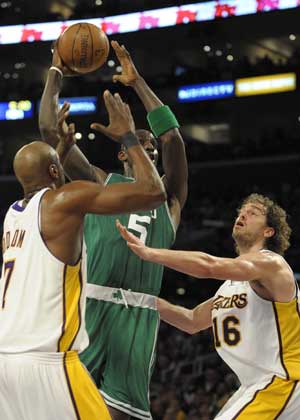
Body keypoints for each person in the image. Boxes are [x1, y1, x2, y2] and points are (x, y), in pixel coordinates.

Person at [39, 41, 188, 420]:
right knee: (66, 409)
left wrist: (137, 83)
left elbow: (173, 138)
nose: (150, 148)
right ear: (123, 152)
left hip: (137, 315)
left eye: (151, 146)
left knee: (122, 416)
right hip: (90, 306)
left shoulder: (169, 200)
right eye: (141, 144)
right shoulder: (99, 183)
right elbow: (47, 129)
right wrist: (55, 72)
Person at [0, 92, 165, 420]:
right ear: (54, 169)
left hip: (6, 361)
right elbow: (153, 192)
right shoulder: (64, 201)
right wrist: (128, 135)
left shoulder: (13, 216)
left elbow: (52, 167)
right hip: (50, 362)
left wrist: (55, 72)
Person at [117, 193, 300, 419]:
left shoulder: (272, 263)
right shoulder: (230, 287)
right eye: (241, 211)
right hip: (256, 385)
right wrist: (142, 299)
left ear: (269, 231)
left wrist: (150, 253)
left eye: (253, 213)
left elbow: (209, 266)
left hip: (284, 379)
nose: (242, 214)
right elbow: (192, 321)